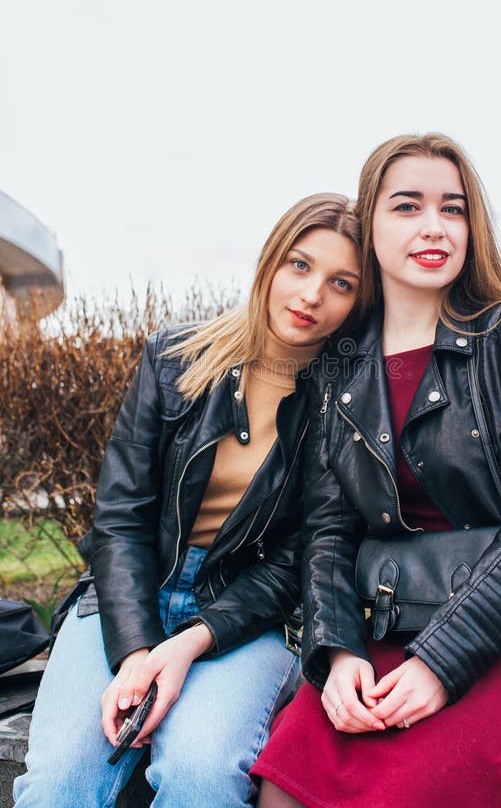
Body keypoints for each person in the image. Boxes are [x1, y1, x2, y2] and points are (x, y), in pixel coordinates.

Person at [253, 134, 501, 807]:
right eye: (407, 207)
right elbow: (327, 530)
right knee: (283, 788)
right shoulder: (338, 363)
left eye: (454, 208)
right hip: (387, 625)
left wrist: (445, 661)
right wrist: (336, 652)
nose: (434, 227)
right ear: (371, 224)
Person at [13, 192, 363, 807]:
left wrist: (190, 642)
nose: (312, 295)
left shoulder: (348, 404)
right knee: (60, 778)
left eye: (341, 282)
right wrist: (138, 652)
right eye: (300, 266)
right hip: (126, 597)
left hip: (245, 614)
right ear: (271, 263)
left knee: (202, 774)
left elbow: (301, 558)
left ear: (361, 300)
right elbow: (121, 519)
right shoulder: (176, 359)